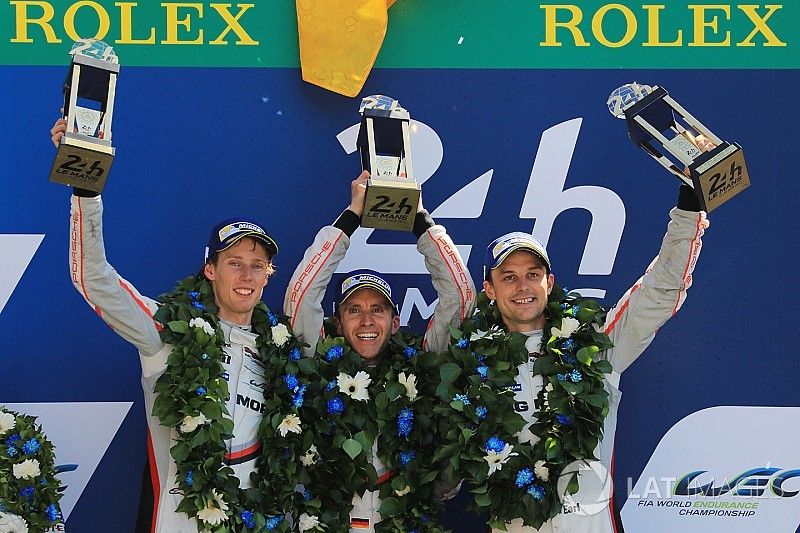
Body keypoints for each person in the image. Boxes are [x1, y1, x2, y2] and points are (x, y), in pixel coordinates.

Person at [51, 118, 281, 533]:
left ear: (269, 275)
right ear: (210, 270)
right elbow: (94, 279)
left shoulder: (284, 355)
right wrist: (85, 183)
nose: (246, 276)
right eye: (234, 264)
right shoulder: (168, 333)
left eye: (257, 266)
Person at [483, 183, 708, 533]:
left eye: (533, 275)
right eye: (508, 277)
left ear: (550, 283)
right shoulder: (471, 368)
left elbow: (659, 292)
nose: (523, 287)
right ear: (490, 290)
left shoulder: (594, 349)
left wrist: (689, 210)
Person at [283, 171, 476, 532]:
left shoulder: (421, 368)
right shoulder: (316, 363)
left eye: (378, 310)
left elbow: (461, 297)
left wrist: (421, 221)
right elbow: (302, 295)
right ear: (336, 323)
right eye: (354, 310)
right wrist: (351, 217)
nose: (367, 321)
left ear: (396, 321)